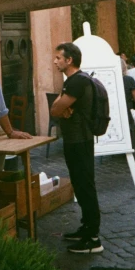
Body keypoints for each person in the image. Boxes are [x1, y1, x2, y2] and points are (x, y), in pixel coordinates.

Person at [50, 43, 102, 254]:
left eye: (58, 58)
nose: (55, 61)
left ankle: (93, 238)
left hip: (79, 140)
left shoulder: (77, 82)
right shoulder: (72, 81)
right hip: (76, 140)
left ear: (69, 60)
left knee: (85, 185)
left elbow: (55, 109)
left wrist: (61, 107)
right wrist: (61, 107)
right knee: (80, 185)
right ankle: (86, 227)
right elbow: (59, 107)